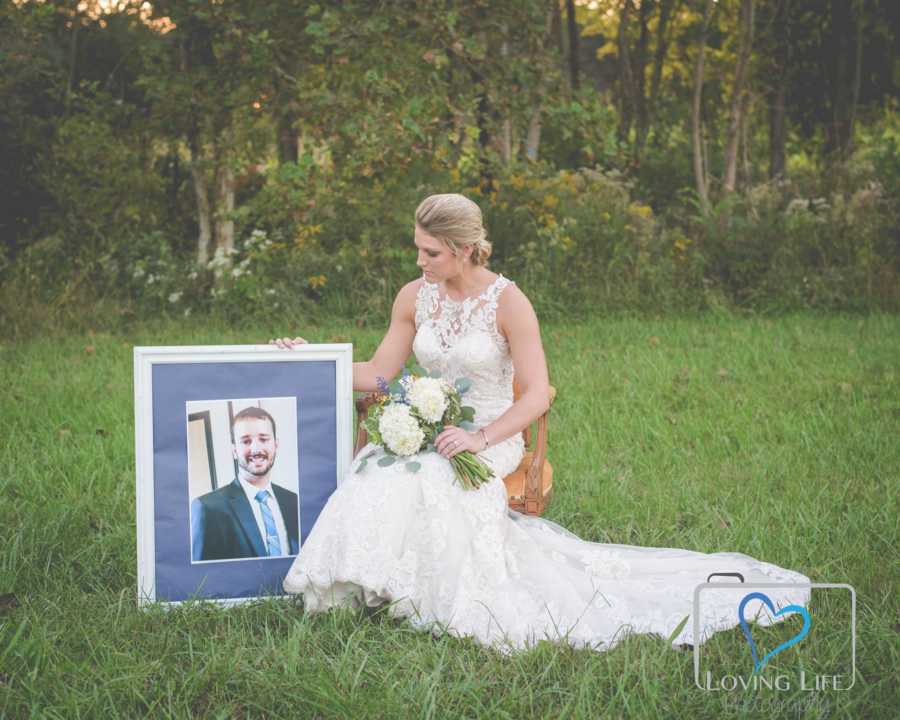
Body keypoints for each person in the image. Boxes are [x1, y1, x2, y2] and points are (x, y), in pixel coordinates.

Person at [271, 193, 810, 654]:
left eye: (430, 252)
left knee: (433, 479)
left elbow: (534, 396)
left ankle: (419, 593)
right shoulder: (414, 297)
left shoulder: (509, 302)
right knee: (376, 467)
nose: (420, 261)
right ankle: (360, 587)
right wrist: (308, 360)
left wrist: (478, 437)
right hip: (428, 423)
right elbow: (380, 373)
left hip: (491, 432)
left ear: (462, 249)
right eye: (417, 248)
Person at [191, 406, 300, 562]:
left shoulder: (293, 500)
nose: (256, 449)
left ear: (276, 444)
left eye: (264, 439)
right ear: (234, 450)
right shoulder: (207, 508)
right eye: (246, 441)